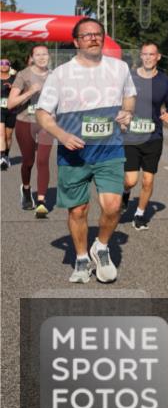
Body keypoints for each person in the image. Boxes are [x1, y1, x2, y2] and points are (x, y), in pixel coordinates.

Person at [35, 19, 136, 284]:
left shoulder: (119, 68)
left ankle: (100, 246)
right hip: (74, 153)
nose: (93, 38)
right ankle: (81, 258)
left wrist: (127, 111)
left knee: (113, 206)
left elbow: (130, 95)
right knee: (78, 211)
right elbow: (43, 113)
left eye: (97, 34)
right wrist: (61, 135)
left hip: (109, 149)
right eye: (86, 35)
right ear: (76, 41)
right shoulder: (61, 74)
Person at [122, 41, 168, 230]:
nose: (147, 58)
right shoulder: (129, 78)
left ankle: (139, 214)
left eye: (151, 54)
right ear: (141, 56)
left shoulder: (165, 82)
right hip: (131, 136)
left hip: (153, 136)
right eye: (144, 54)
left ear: (158, 57)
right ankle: (125, 192)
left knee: (148, 180)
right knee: (131, 180)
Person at [7, 45, 53, 217]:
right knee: (28, 161)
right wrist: (30, 92)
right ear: (32, 57)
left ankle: (41, 201)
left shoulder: (54, 76)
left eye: (44, 54)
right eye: (38, 54)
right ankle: (26, 189)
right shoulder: (23, 75)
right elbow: (11, 103)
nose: (42, 57)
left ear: (49, 56)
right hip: (25, 121)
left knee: (43, 160)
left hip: (46, 123)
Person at [0, 57, 15, 170]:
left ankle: (6, 155)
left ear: (9, 66)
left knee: (8, 136)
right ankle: (1, 158)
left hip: (11, 110)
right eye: (1, 63)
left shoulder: (14, 79)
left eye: (6, 63)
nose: (4, 65)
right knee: (1, 134)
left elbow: (21, 92)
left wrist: (13, 88)